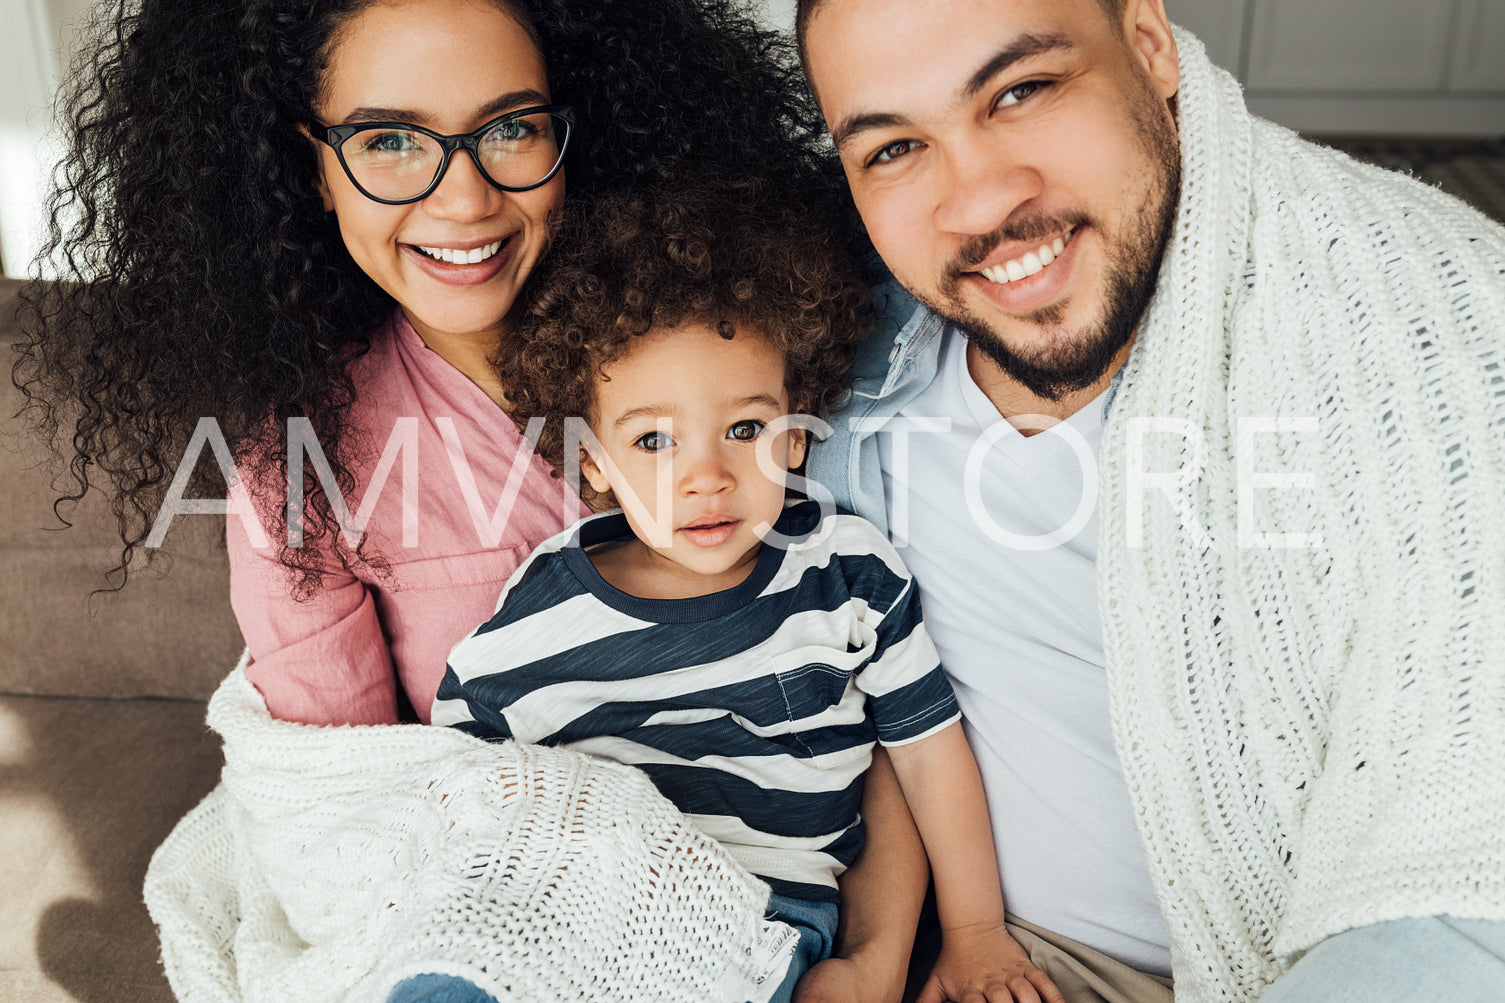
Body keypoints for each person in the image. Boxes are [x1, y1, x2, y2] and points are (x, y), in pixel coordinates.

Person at [14, 0, 917, 999]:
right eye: (390, 139)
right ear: (305, 165)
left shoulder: (741, 345)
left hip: (787, 910)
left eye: (511, 127)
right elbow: (343, 820)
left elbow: (863, 688)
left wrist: (872, 959)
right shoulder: (302, 472)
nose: (464, 199)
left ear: (574, 129)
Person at [791, 0, 1505, 1001]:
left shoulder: (1429, 344)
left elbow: (1472, 876)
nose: (978, 201)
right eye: (894, 147)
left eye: (1022, 91)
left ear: (1147, 44)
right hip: (952, 944)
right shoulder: (827, 331)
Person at [432, 181, 1069, 1003]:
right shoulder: (546, 603)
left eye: (745, 429)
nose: (706, 477)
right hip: (574, 909)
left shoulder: (846, 573)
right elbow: (456, 786)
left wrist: (975, 930)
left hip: (762, 925)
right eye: (654, 439)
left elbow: (926, 754)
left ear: (796, 431)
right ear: (592, 458)